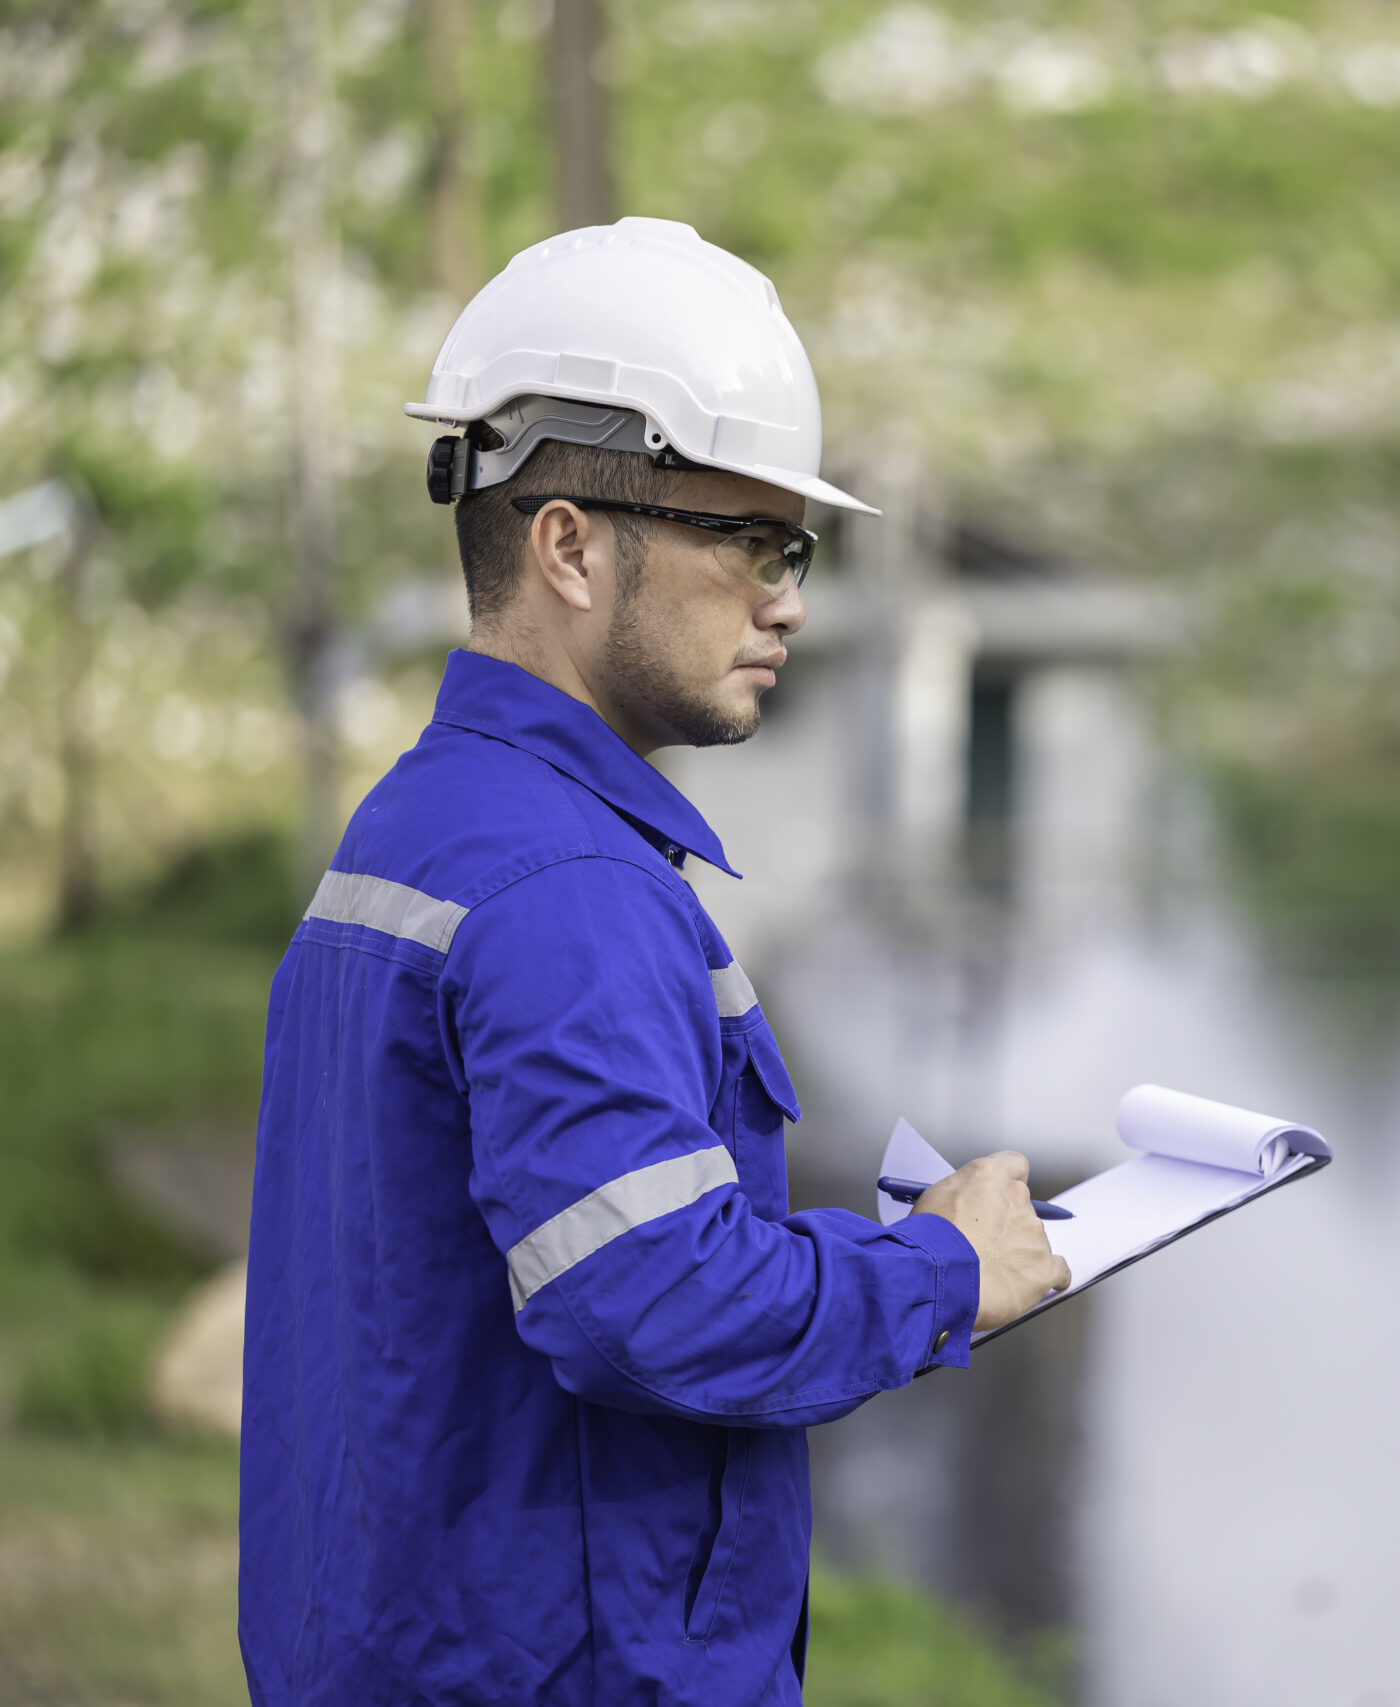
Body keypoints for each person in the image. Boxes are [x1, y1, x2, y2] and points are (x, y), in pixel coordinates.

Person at [238, 217, 1072, 1707]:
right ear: (567, 542)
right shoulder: (567, 887)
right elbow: (649, 1298)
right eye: (747, 542)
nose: (790, 600)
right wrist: (945, 1269)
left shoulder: (424, 824)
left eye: (796, 549)